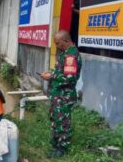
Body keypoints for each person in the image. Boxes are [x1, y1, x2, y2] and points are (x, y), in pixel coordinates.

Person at [40, 30, 82, 158]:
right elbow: (62, 72)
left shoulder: (71, 56)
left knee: (63, 122)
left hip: (64, 96)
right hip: (58, 95)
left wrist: (51, 76)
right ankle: (56, 143)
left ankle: (62, 149)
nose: (57, 46)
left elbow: (69, 77)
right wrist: (52, 73)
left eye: (58, 43)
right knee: (56, 119)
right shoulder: (65, 53)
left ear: (66, 41)